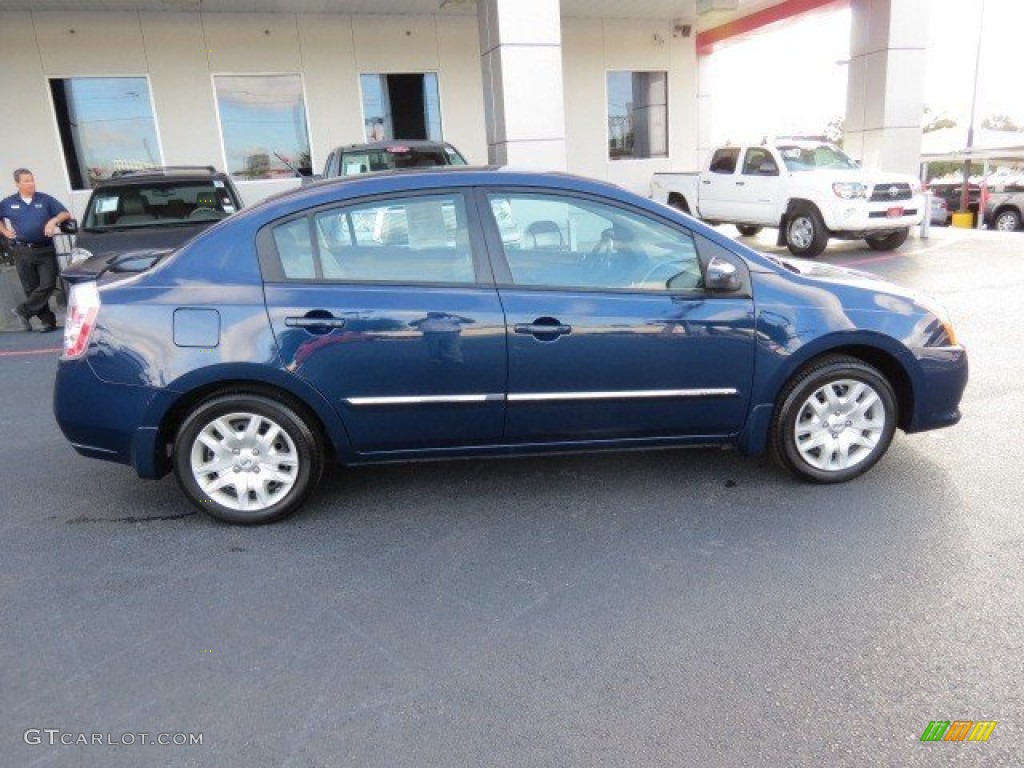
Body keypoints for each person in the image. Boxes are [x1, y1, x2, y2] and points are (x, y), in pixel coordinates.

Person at [0, 169, 70, 332]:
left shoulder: (44, 199)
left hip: (45, 249)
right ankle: (48, 322)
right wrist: (5, 231)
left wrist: (53, 221)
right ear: (17, 183)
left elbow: (65, 214)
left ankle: (23, 311)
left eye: (32, 180)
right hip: (22, 250)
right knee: (32, 288)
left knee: (48, 284)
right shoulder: (8, 202)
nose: (31, 183)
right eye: (26, 181)